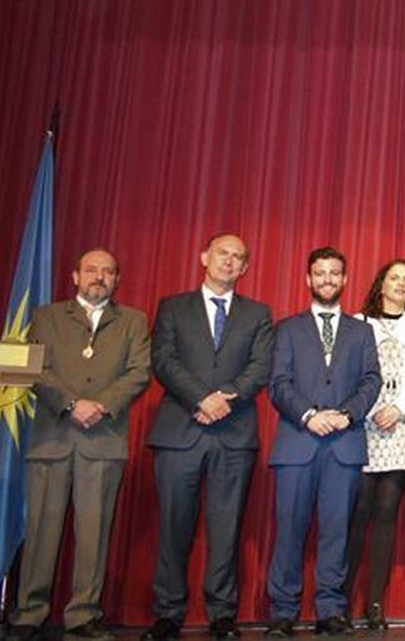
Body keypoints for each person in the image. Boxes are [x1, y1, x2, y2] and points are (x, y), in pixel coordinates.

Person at [11, 249, 151, 641]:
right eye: (91, 270)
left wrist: (102, 405)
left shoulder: (133, 321)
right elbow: (34, 367)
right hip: (52, 439)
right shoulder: (46, 316)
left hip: (103, 440)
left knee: (94, 531)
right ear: (75, 276)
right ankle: (28, 613)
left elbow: (139, 371)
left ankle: (84, 614)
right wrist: (71, 404)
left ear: (117, 280)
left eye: (108, 271)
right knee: (41, 529)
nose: (99, 277)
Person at [144, 233, 276, 641]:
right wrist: (202, 397)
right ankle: (168, 613)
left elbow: (260, 366)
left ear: (245, 268)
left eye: (238, 258)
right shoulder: (173, 307)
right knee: (173, 526)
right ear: (205, 257)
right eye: (223, 253)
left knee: (227, 528)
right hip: (180, 429)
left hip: (233, 435)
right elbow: (163, 360)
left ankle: (222, 613)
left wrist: (225, 399)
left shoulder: (258, 313)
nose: (230, 261)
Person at [263, 247, 382, 637]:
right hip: (298, 443)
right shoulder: (287, 329)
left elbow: (371, 381)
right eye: (320, 273)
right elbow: (278, 384)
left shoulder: (361, 331)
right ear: (308, 280)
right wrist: (311, 415)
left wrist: (345, 415)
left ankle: (330, 609)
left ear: (345, 280)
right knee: (290, 529)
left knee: (336, 530)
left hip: (344, 445)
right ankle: (283, 610)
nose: (327, 279)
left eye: (334, 273)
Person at [346, 259, 405, 630]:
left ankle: (375, 604)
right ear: (380, 284)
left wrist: (398, 408)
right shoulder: (357, 323)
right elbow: (347, 375)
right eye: (394, 278)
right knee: (356, 513)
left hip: (403, 425)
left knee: (385, 515)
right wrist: (371, 408)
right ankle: (341, 600)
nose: (401, 284)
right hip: (362, 425)